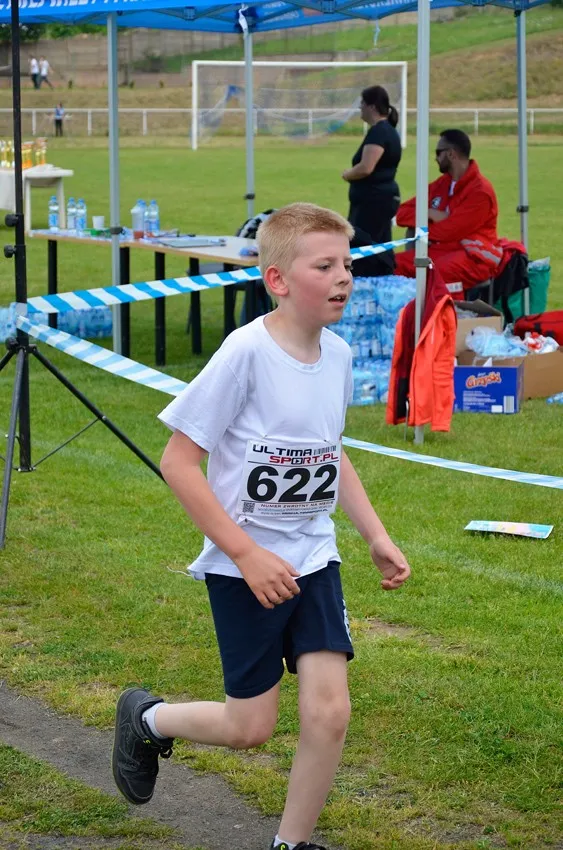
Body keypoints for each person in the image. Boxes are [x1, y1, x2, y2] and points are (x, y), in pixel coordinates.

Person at [112, 203, 411, 850]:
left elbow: (330, 452)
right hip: (244, 567)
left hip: (314, 556)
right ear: (277, 280)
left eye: (347, 264)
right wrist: (246, 554)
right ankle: (148, 719)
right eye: (324, 266)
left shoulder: (337, 355)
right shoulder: (244, 353)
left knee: (330, 712)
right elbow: (178, 462)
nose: (344, 277)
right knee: (250, 727)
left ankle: (290, 844)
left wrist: (375, 535)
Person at [394, 129, 502, 290]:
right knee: (392, 264)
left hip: (474, 257)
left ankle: (447, 307)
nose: (435, 158)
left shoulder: (480, 192)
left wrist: (425, 226)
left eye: (438, 153)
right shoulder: (442, 183)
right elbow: (401, 213)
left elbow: (449, 231)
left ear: (451, 154)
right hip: (441, 250)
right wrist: (429, 213)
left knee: (435, 271)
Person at [342, 85, 402, 275]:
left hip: (373, 202)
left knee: (365, 247)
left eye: (362, 103)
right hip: (379, 199)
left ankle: (366, 282)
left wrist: (348, 174)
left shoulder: (379, 132)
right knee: (380, 247)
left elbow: (366, 167)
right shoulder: (388, 131)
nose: (360, 107)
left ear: (372, 107)